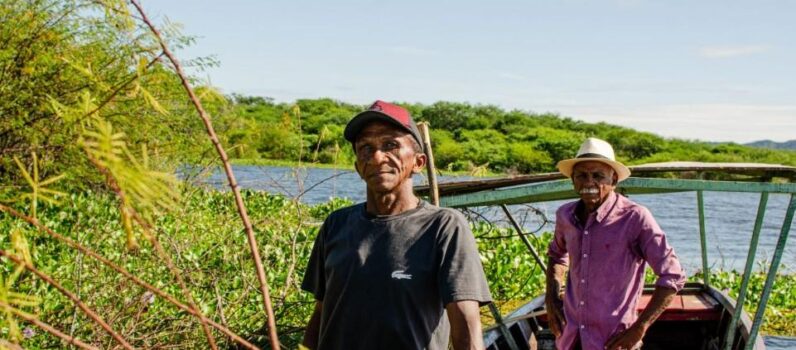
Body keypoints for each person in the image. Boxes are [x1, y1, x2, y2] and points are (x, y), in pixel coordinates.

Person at [301, 100, 492, 350]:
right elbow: (321, 313)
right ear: (358, 166)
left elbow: (466, 323)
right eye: (365, 148)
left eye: (390, 145)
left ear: (419, 162)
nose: (377, 157)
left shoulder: (443, 227)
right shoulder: (336, 224)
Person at [545, 137, 686, 350]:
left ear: (613, 181)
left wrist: (640, 328)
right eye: (582, 176)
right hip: (571, 337)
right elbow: (557, 256)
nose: (589, 183)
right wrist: (552, 298)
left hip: (613, 342)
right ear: (573, 181)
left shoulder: (635, 218)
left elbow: (673, 275)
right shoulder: (565, 215)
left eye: (598, 176)